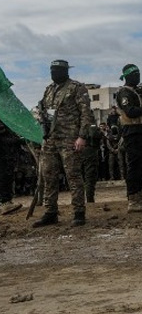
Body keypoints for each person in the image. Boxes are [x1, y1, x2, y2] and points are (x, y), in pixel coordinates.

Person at [33, 60, 94, 227]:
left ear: (65, 71)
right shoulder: (49, 89)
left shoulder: (76, 88)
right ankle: (50, 212)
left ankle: (79, 212)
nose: (53, 73)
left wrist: (82, 136)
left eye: (57, 70)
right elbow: (45, 112)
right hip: (51, 138)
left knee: (73, 176)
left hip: (70, 138)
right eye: (52, 70)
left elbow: (85, 113)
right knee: (48, 176)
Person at [115, 64, 142, 212]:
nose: (137, 77)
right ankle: (133, 200)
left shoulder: (138, 92)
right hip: (132, 132)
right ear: (127, 76)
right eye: (134, 74)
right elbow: (131, 112)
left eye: (139, 73)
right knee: (134, 167)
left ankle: (141, 196)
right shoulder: (124, 93)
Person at [0, 118, 23, 216]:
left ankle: (6, 202)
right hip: (3, 154)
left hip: (7, 154)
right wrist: (17, 140)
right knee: (4, 177)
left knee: (6, 177)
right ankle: (5, 203)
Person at [80, 124, 102, 202]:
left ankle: (79, 199)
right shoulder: (90, 125)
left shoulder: (75, 124)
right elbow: (96, 135)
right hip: (90, 150)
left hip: (78, 151)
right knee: (90, 176)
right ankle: (90, 199)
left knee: (79, 177)